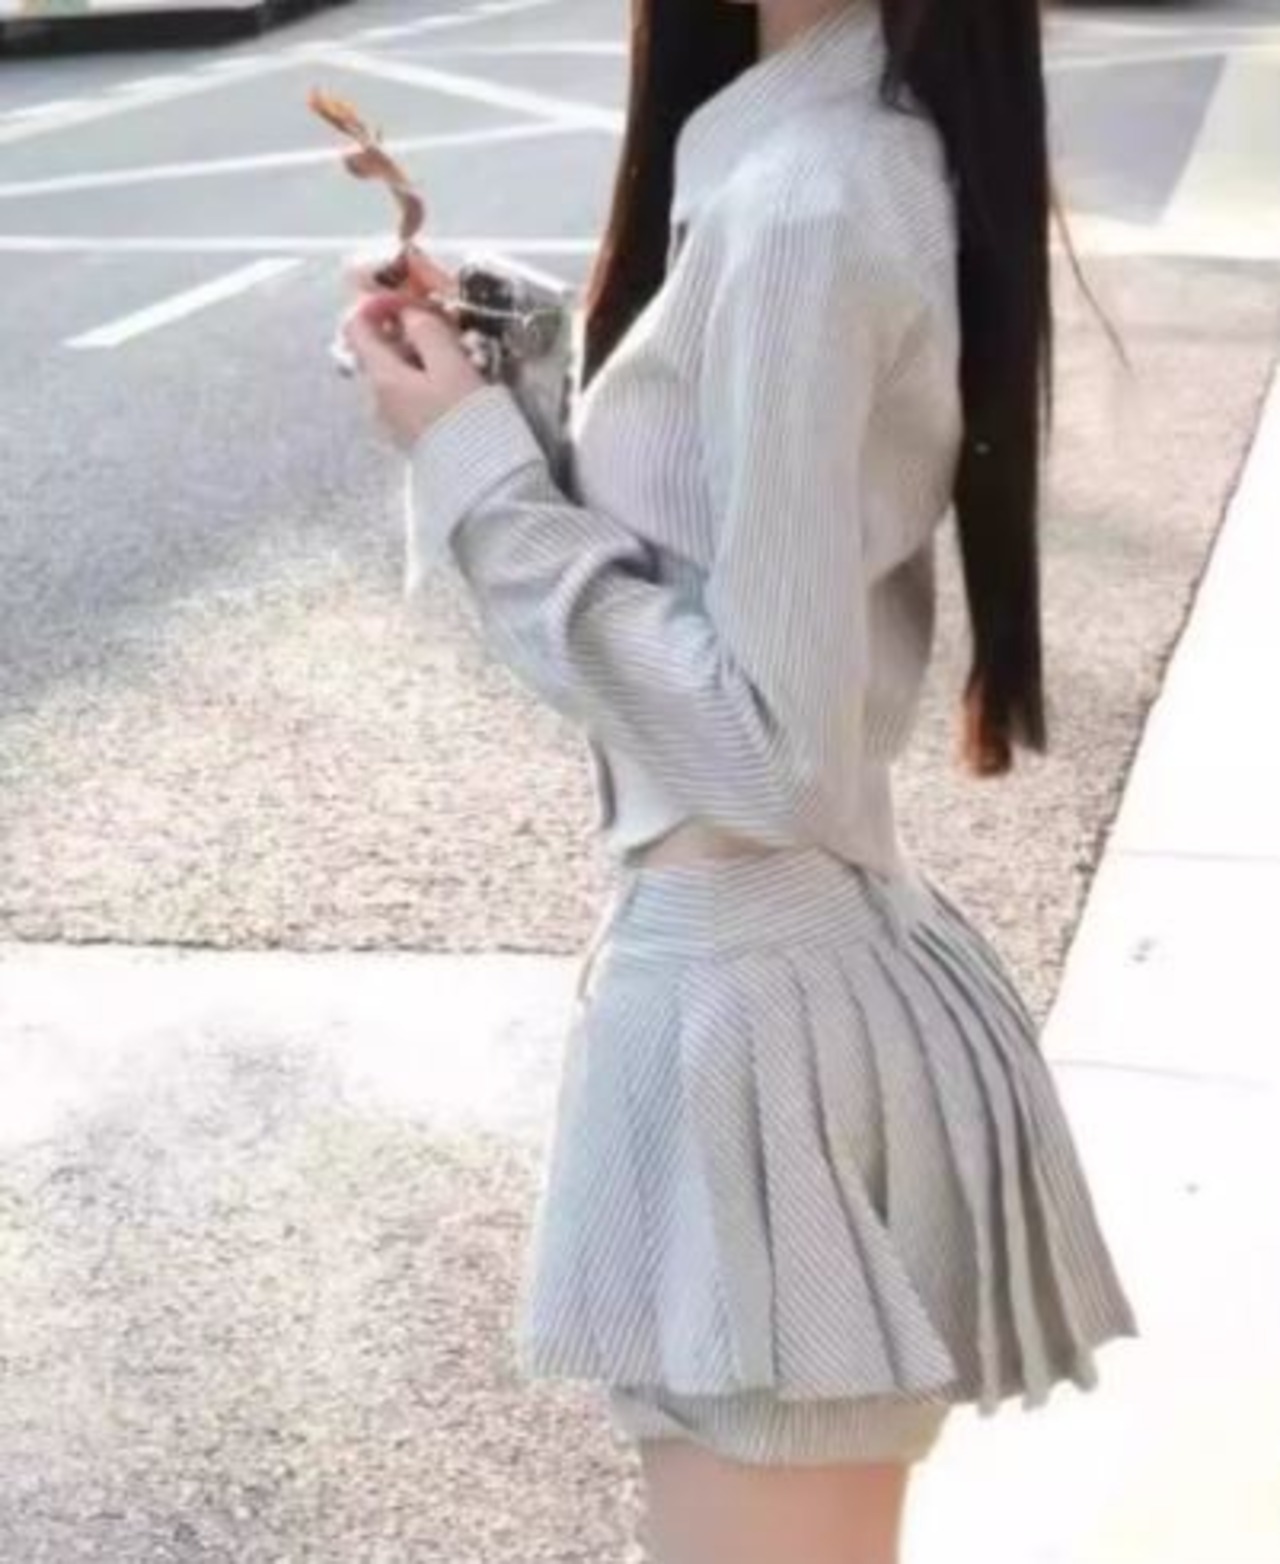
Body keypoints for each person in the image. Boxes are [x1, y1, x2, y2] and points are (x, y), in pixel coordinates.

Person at [342, 0, 1139, 1558]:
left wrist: (475, 469)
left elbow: (766, 743)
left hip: (767, 1033)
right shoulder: (800, 152)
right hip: (759, 990)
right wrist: (504, 386)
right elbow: (713, 533)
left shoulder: (806, 201)